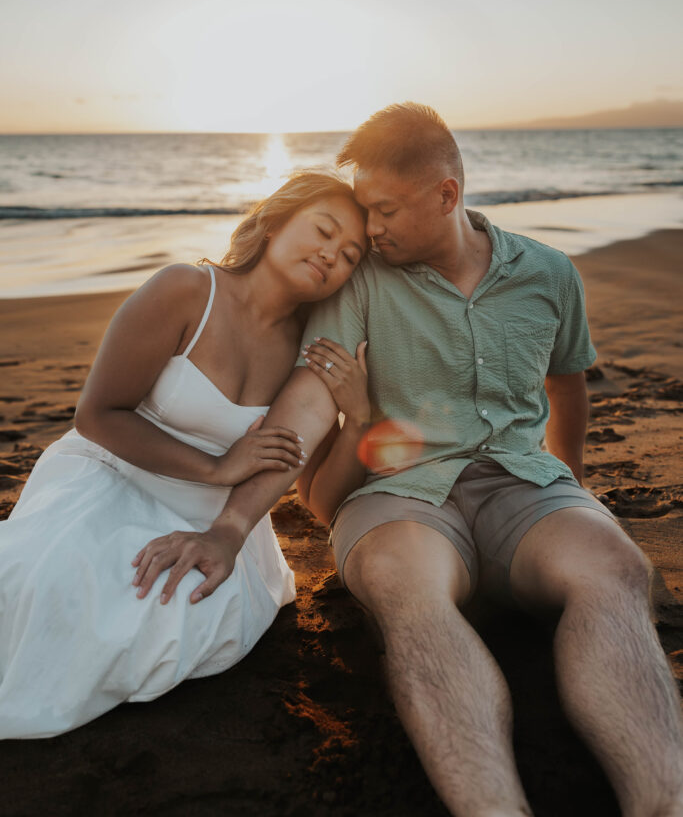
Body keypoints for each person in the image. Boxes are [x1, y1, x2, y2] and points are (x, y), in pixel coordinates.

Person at [134, 104, 683, 817]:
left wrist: (569, 484)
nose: (371, 229)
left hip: (524, 485)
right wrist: (232, 527)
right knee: (405, 592)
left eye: (385, 209)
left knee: (614, 569)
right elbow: (305, 406)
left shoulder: (548, 273)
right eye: (364, 211)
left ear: (446, 195)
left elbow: (566, 381)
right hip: (398, 497)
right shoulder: (359, 283)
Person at [0, 172, 367, 739]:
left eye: (349, 255)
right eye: (323, 230)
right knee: (56, 585)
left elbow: (308, 482)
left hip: (206, 514)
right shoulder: (186, 290)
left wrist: (358, 418)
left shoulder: (308, 350)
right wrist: (217, 467)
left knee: (175, 610)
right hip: (113, 470)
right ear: (274, 221)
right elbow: (97, 415)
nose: (330, 255)